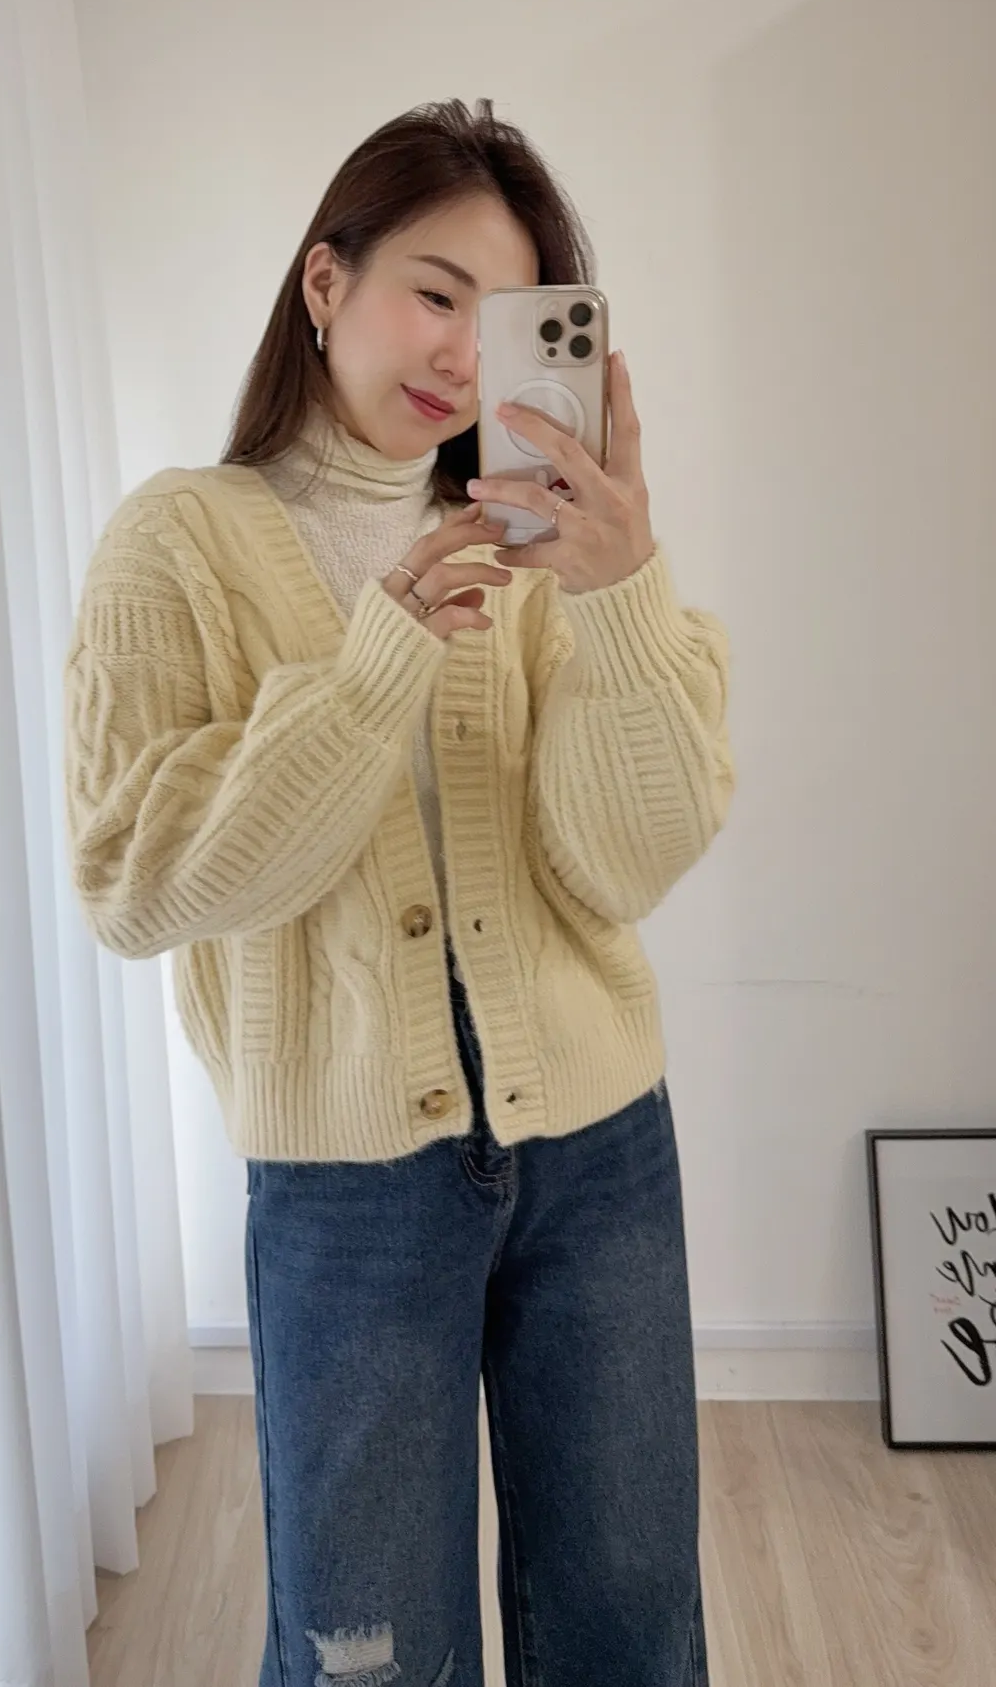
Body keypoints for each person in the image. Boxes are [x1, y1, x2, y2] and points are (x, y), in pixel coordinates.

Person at [64, 99, 734, 1687]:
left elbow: (628, 859)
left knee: (631, 1628)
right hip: (349, 1184)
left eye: (503, 321)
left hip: (600, 1151)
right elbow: (135, 882)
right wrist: (377, 664)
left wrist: (623, 598)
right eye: (436, 292)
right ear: (326, 282)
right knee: (370, 1655)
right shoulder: (179, 542)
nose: (457, 353)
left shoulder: (545, 549)